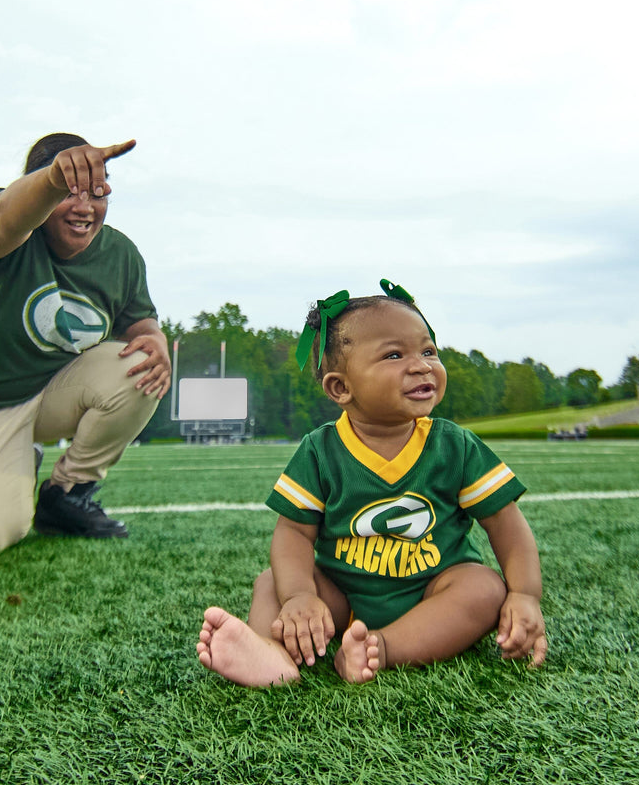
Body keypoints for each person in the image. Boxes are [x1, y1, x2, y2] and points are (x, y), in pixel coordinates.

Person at [197, 280, 546, 686]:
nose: (422, 365)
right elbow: (292, 533)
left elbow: (506, 525)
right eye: (395, 354)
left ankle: (380, 648)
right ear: (341, 387)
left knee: (484, 587)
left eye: (428, 350)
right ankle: (269, 654)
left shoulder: (454, 445)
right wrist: (300, 597)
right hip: (342, 600)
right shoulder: (321, 450)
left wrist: (524, 593)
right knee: (272, 582)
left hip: (431, 595)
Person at [0, 134, 171, 554]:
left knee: (142, 363)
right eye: (70, 191)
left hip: (50, 392)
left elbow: (141, 322)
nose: (86, 206)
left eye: (98, 190)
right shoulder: (1, 220)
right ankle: (13, 458)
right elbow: (4, 218)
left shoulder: (121, 254)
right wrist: (52, 178)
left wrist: (155, 339)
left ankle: (67, 494)